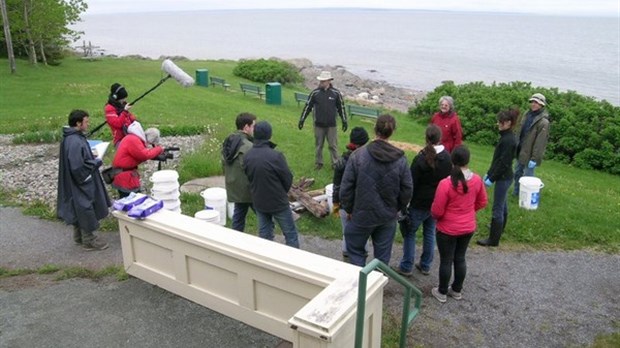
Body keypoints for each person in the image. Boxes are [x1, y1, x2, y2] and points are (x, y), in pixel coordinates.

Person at [340, 114, 413, 266]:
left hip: (361, 213)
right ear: (392, 132)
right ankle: (376, 287)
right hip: (386, 215)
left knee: (356, 253)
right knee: (382, 260)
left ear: (375, 129)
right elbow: (407, 190)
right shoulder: (400, 160)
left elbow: (346, 188)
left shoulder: (357, 156)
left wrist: (349, 209)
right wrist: (396, 207)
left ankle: (358, 286)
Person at [430, 145, 487, 303]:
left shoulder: (446, 184)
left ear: (452, 160)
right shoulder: (476, 180)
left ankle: (442, 291)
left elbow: (437, 210)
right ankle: (456, 290)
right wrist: (468, 212)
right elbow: (482, 201)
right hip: (467, 227)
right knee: (460, 258)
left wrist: (443, 217)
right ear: (468, 160)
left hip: (448, 229)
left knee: (446, 260)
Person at [395, 124, 452, 276]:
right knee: (430, 232)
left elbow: (411, 183)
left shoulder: (420, 159)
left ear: (426, 138)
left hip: (419, 203)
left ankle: (407, 265)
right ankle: (426, 264)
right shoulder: (447, 159)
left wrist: (404, 203)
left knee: (409, 233)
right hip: (436, 202)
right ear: (440, 139)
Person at [56, 109, 111, 251]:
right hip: (82, 181)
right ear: (78, 123)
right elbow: (77, 167)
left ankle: (78, 237)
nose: (88, 124)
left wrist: (88, 154)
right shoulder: (75, 141)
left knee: (78, 206)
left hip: (74, 180)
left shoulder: (70, 138)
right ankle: (89, 240)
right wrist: (96, 161)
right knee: (85, 206)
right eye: (86, 121)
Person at [244, 121, 300, 248]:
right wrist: (281, 192)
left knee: (265, 235)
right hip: (278, 202)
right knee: (290, 234)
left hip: (259, 201)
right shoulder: (276, 156)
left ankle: (266, 261)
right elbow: (287, 178)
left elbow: (249, 177)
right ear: (269, 135)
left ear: (255, 134)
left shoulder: (248, 156)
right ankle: (294, 263)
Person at [478, 109, 519, 247]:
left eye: (501, 122)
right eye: (499, 121)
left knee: (497, 208)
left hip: (503, 177)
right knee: (503, 205)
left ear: (508, 123)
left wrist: (492, 178)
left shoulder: (509, 140)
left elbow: (503, 163)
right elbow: (497, 160)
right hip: (503, 176)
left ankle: (493, 239)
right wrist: (489, 173)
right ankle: (499, 230)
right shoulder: (505, 137)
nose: (498, 124)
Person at [331, 126, 370, 261]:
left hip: (344, 203)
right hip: (360, 204)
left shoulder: (342, 161)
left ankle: (346, 253)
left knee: (346, 231)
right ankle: (362, 251)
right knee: (362, 231)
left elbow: (336, 185)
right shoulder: (367, 161)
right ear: (364, 143)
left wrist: (336, 203)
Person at [298, 71, 348, 170]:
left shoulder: (336, 93)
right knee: (318, 145)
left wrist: (344, 120)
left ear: (329, 81)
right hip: (318, 124)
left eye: (323, 81)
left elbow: (341, 107)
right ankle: (318, 163)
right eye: (320, 81)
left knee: (333, 145)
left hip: (331, 125)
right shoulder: (315, 93)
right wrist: (302, 119)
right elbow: (308, 106)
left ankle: (335, 163)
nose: (321, 83)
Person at [222, 112, 256, 232]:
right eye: (253, 126)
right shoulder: (248, 146)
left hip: (234, 185)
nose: (254, 129)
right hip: (248, 188)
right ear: (246, 127)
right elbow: (253, 168)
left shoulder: (229, 140)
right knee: (264, 216)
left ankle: (235, 239)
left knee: (239, 214)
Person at [111, 121, 164, 198]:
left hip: (121, 173)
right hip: (125, 176)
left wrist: (154, 152)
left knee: (127, 199)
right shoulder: (134, 140)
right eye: (151, 143)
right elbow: (144, 155)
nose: (148, 145)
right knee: (132, 200)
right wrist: (159, 149)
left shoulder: (133, 137)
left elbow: (140, 153)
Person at [512, 93, 550, 196]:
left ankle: (528, 196)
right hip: (521, 150)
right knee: (517, 173)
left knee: (528, 177)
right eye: (532, 102)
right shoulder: (526, 114)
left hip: (531, 154)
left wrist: (534, 159)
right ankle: (516, 193)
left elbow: (540, 143)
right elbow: (519, 131)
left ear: (542, 105)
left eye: (536, 102)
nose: (533, 104)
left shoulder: (544, 122)